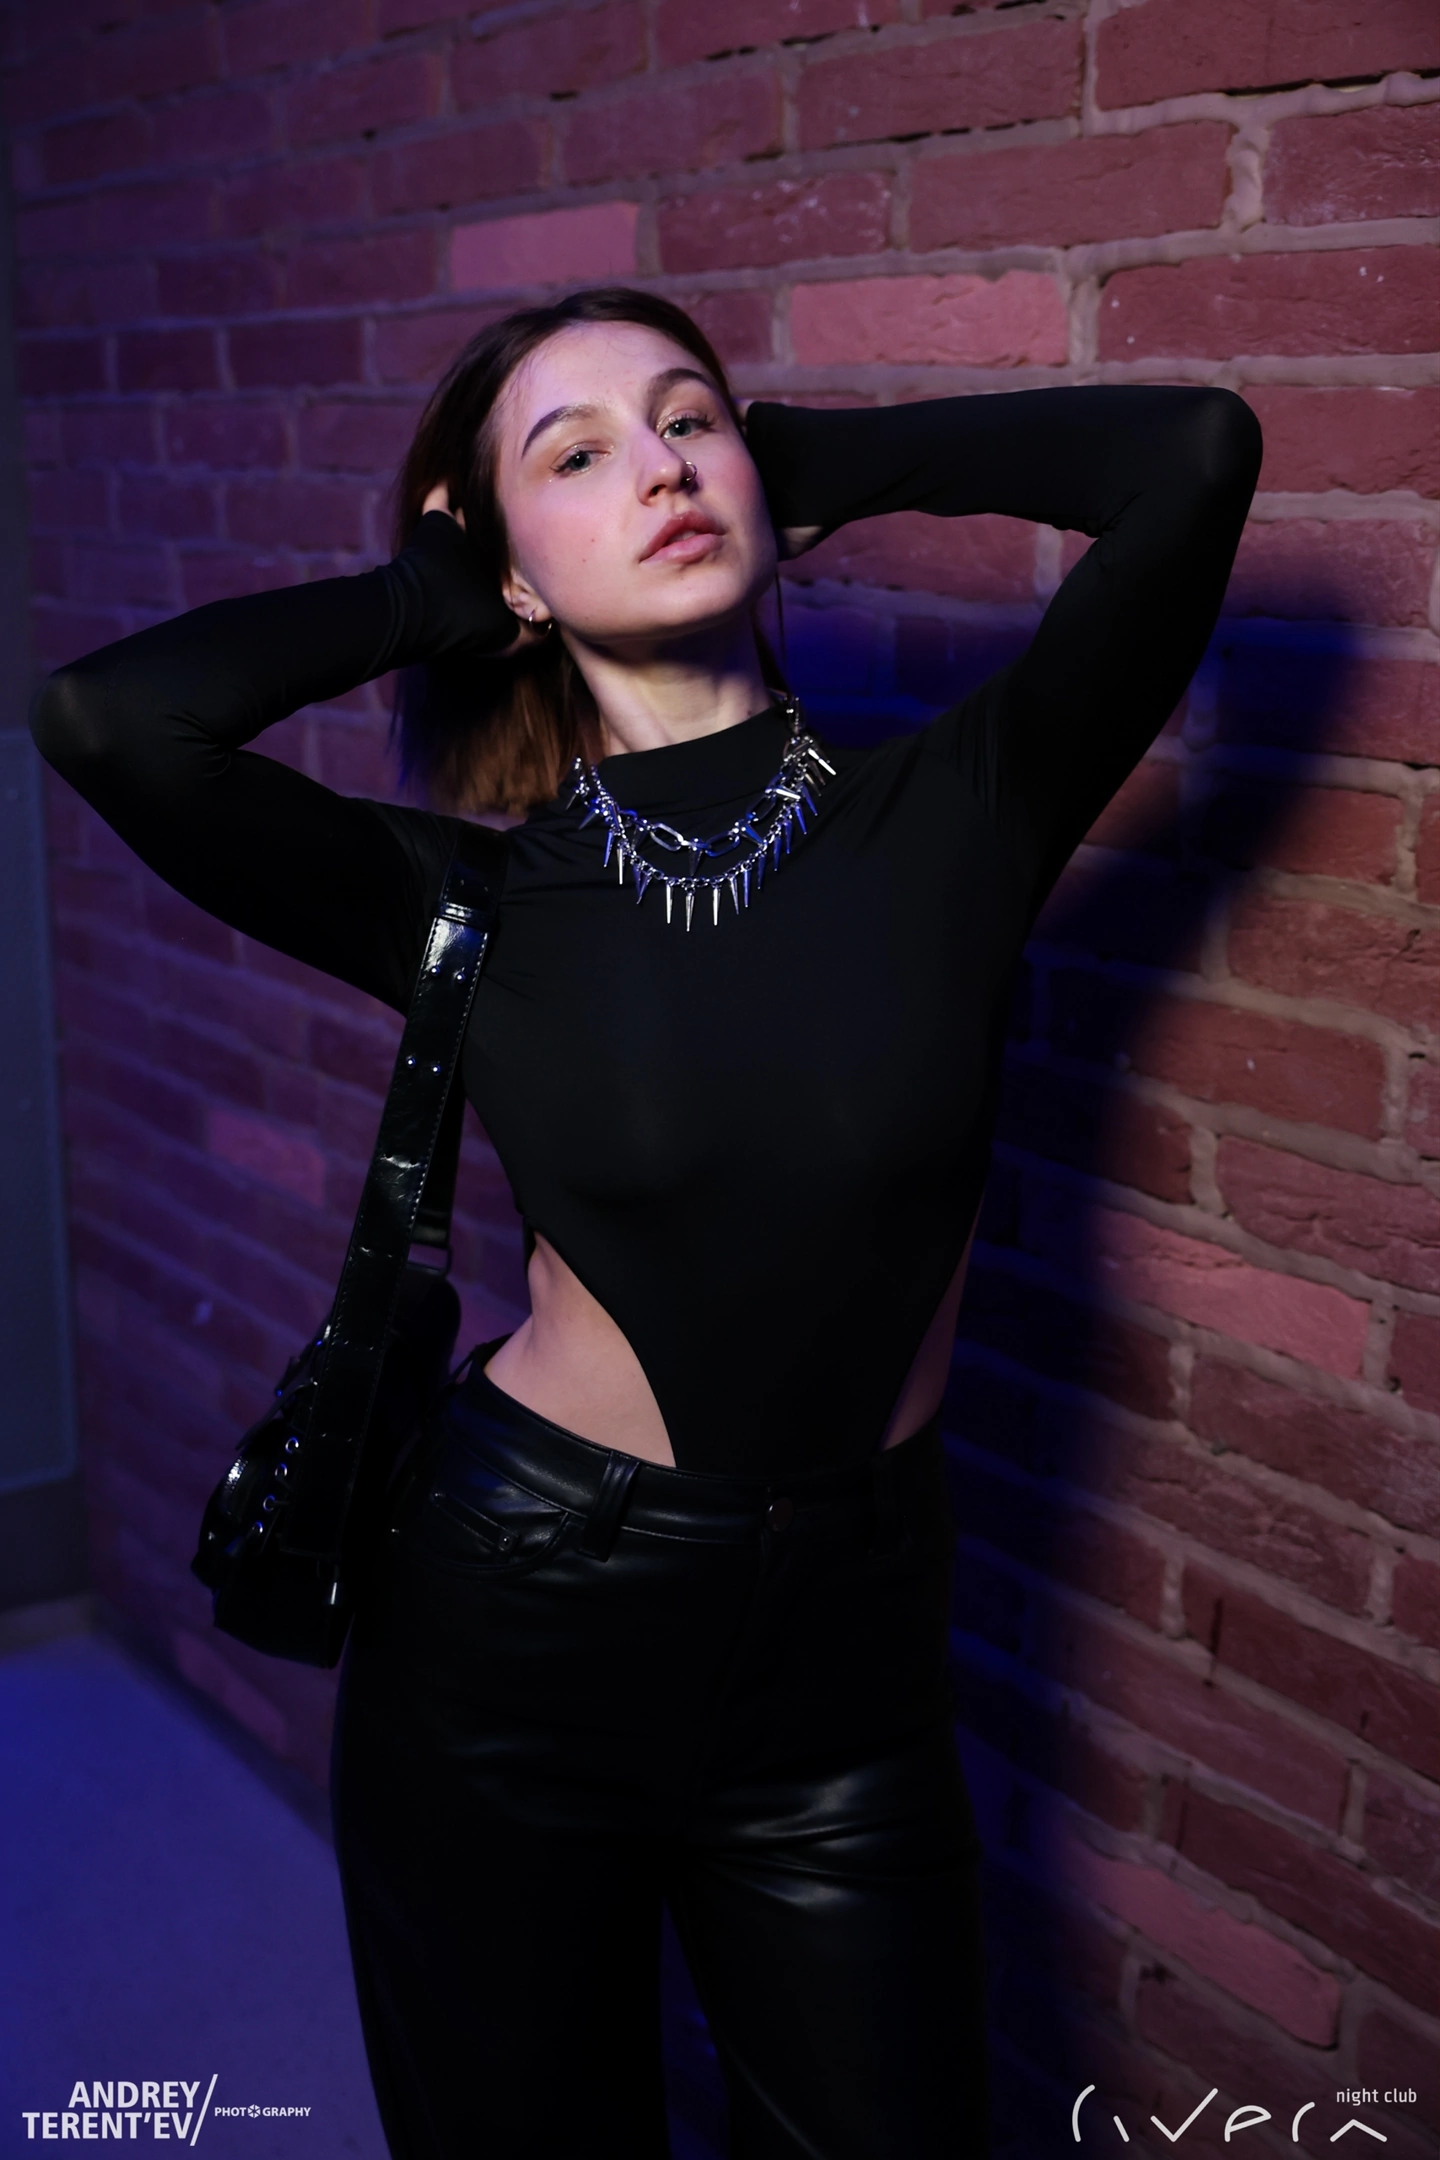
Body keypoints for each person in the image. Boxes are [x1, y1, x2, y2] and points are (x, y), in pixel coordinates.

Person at [30, 285, 1261, 2159]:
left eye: (690, 421)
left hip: (850, 1673)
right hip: (519, 1626)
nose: (663, 470)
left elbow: (1192, 458)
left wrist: (805, 458)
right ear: (511, 568)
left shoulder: (964, 804)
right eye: (579, 454)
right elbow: (110, 720)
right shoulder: (468, 894)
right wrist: (426, 597)